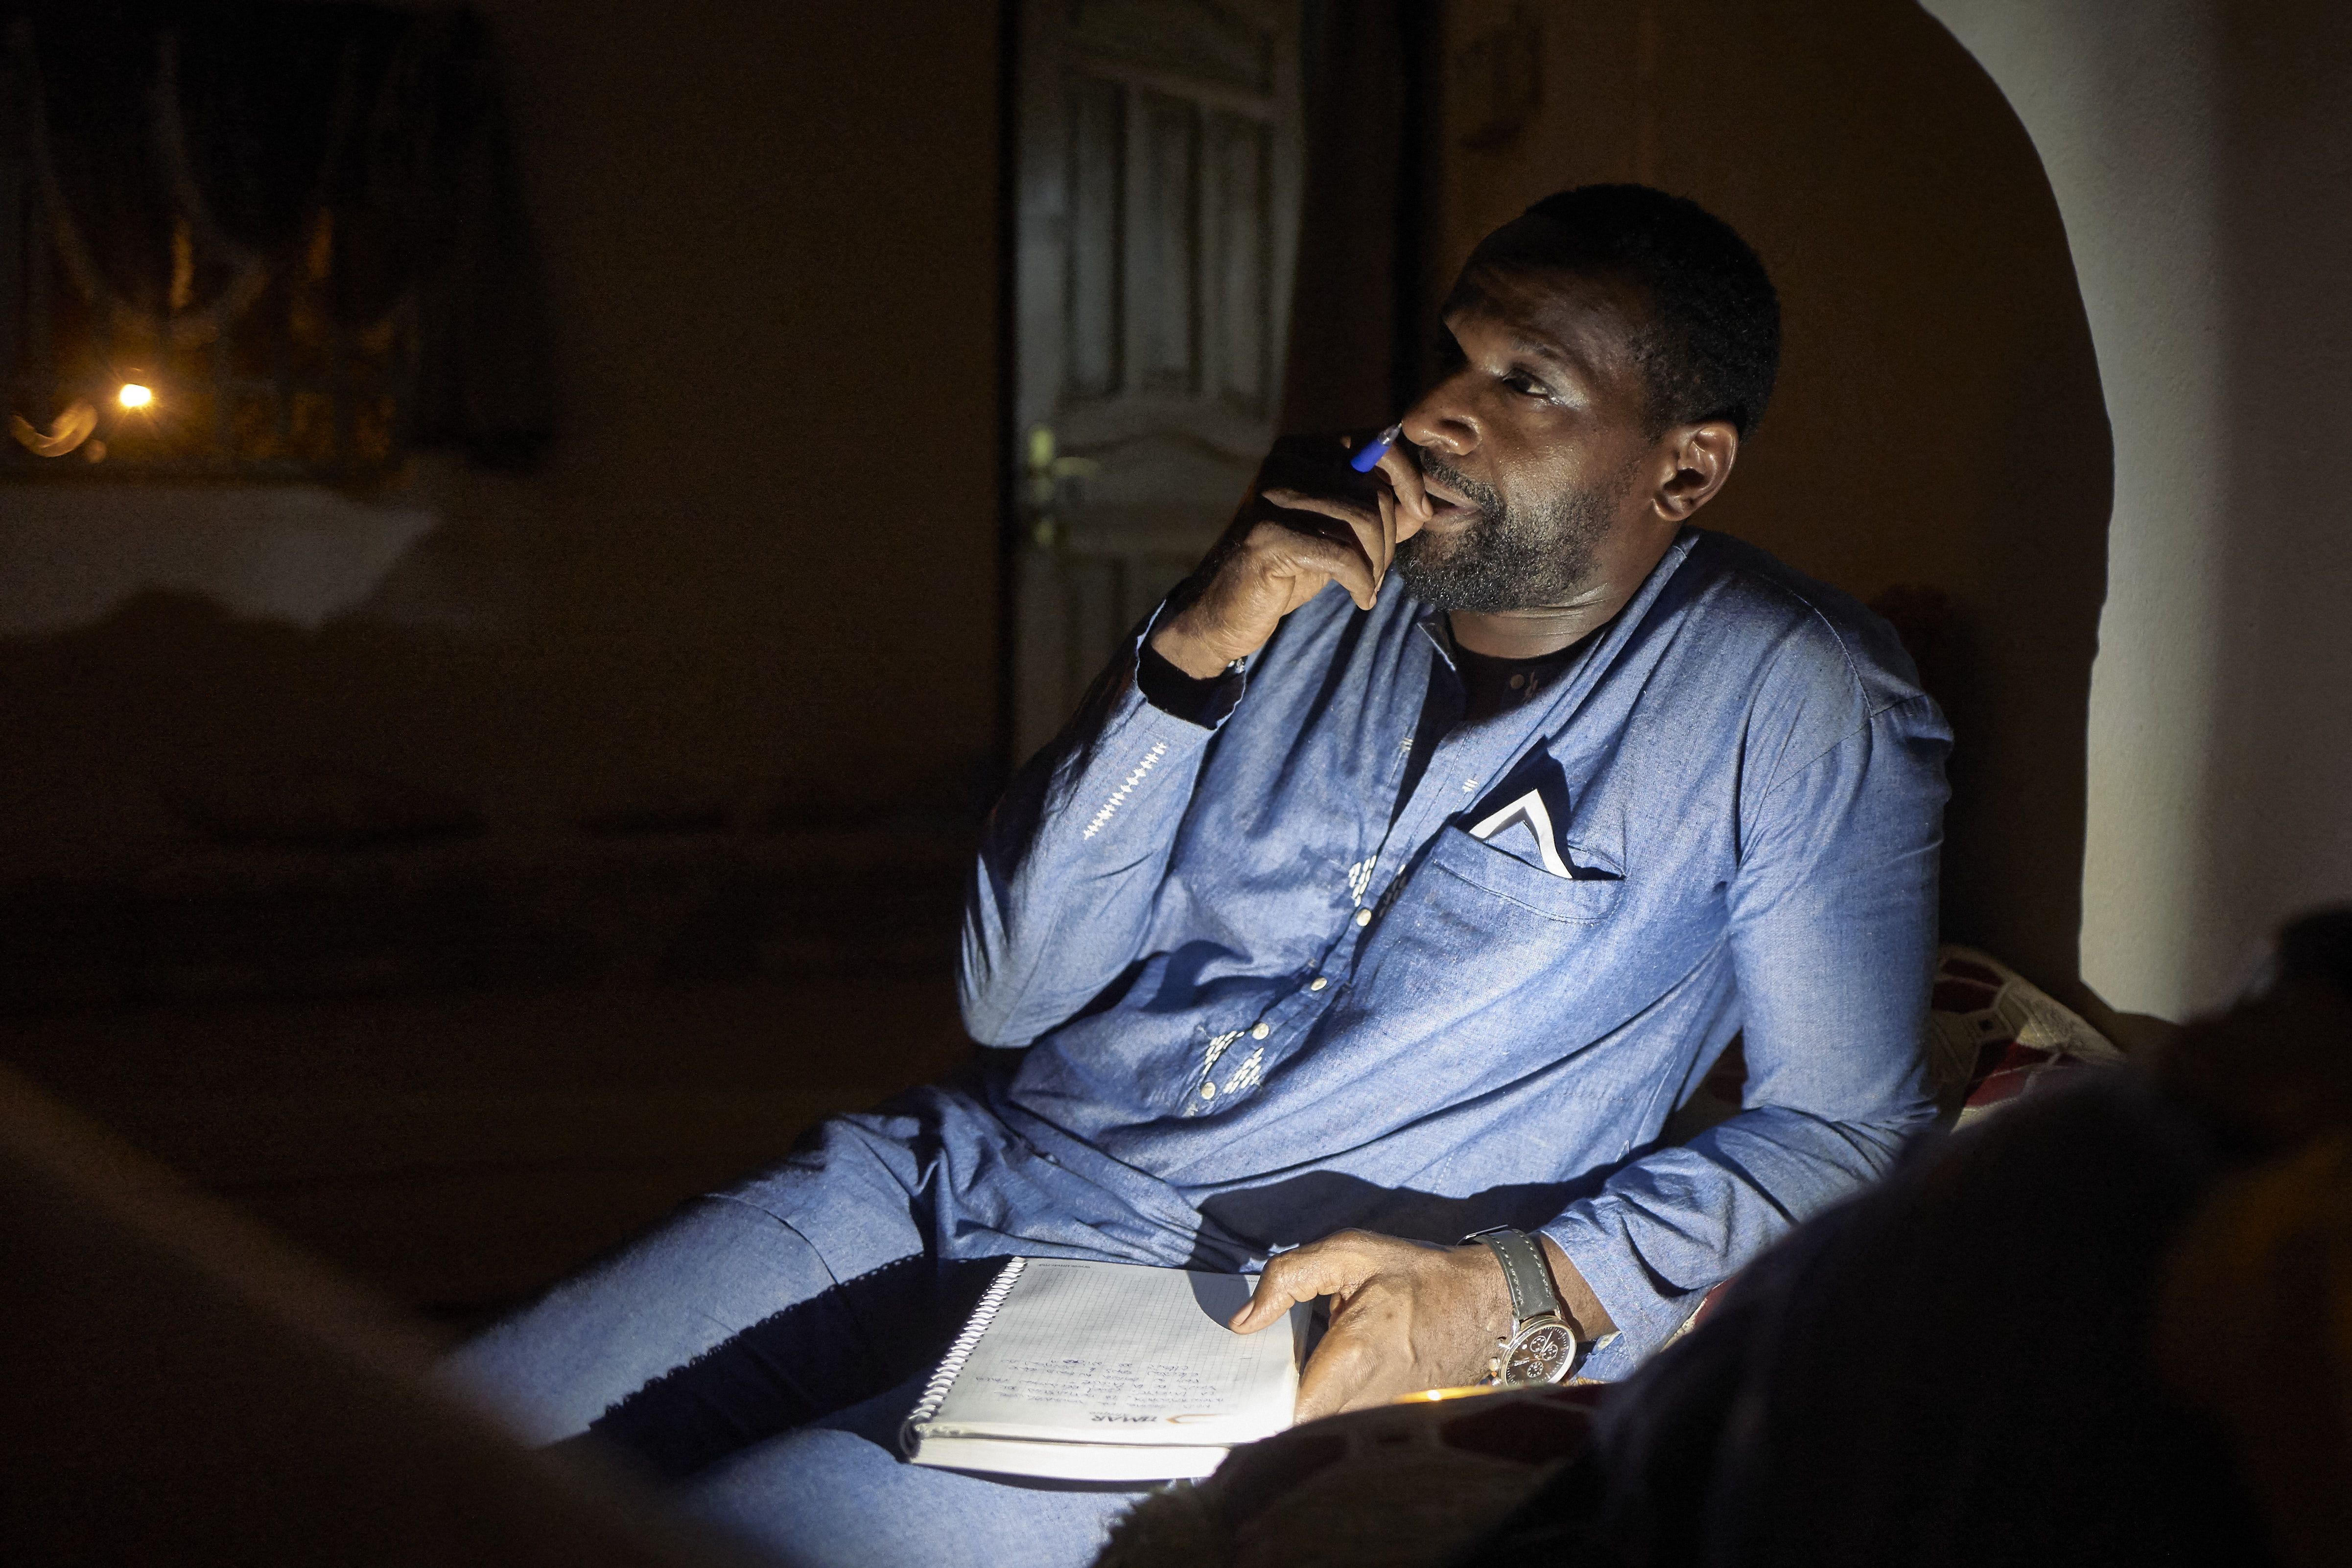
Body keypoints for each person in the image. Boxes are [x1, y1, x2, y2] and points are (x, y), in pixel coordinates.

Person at [446, 185, 1951, 1568]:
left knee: (740, 1538)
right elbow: (1011, 987)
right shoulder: (1300, 583)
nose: (1434, 414)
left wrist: (1501, 1288)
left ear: (1683, 465)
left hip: (1236, 1305)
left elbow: (1839, 1124)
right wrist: (1197, 645)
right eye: (1448, 356)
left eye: (1525, 384)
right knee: (423, 1445)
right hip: (954, 1173)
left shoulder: (1797, 695)